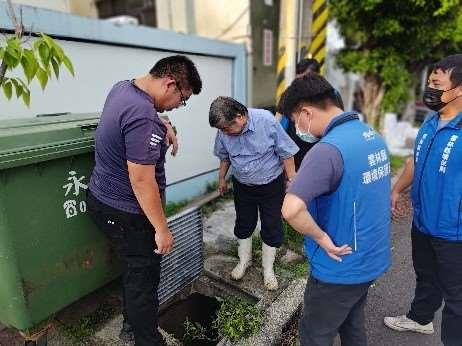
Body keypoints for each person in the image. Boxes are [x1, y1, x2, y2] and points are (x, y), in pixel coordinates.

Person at [86, 55, 202, 346]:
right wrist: (161, 229)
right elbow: (141, 180)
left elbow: (133, 120)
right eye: (182, 99)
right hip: (128, 214)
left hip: (101, 199)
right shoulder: (143, 117)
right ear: (170, 84)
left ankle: (129, 325)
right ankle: (147, 339)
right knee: (144, 281)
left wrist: (163, 123)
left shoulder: (123, 88)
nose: (179, 105)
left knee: (132, 267)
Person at [280, 74, 391, 346]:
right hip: (370, 257)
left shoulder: (327, 150)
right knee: (352, 324)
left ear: (306, 112)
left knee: (315, 335)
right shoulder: (371, 135)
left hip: (339, 266)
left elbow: (291, 209)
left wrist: (320, 238)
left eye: (295, 120)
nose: (297, 128)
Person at [384, 54, 462, 346]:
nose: (429, 88)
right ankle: (420, 319)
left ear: (459, 88)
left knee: (458, 299)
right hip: (423, 222)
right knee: (426, 277)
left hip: (455, 233)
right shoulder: (431, 122)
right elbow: (415, 163)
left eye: (436, 83)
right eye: (429, 81)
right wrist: (396, 190)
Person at [209, 96, 298, 290]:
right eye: (221, 130)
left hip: (270, 185)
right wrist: (222, 179)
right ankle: (244, 261)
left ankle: (268, 269)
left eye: (226, 128)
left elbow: (287, 152)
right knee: (244, 222)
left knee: (271, 224)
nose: (223, 133)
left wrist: (292, 183)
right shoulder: (223, 131)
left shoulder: (266, 121)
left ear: (240, 117)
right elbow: (224, 157)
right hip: (243, 186)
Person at [276, 58, 345, 170]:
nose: (302, 84)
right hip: (293, 155)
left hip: (320, 154)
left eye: (306, 78)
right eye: (299, 78)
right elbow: (278, 123)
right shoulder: (288, 94)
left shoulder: (331, 95)